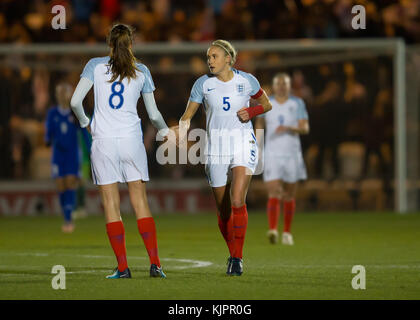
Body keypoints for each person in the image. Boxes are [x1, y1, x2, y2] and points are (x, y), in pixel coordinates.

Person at [70, 24, 169, 279]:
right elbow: (154, 114)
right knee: (140, 202)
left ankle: (123, 268)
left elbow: (74, 102)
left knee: (111, 204)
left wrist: (85, 123)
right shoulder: (142, 70)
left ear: (109, 44)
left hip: (103, 141)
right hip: (131, 141)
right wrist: (166, 131)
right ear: (131, 44)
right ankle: (155, 264)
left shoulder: (95, 65)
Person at [173, 40, 272, 276]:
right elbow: (188, 114)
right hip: (215, 147)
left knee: (237, 198)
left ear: (229, 58)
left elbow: (266, 104)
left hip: (242, 143)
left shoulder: (247, 80)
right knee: (224, 209)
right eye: (208, 57)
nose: (210, 61)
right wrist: (183, 128)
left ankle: (237, 259)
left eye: (214, 56)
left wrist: (252, 111)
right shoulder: (203, 84)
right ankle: (233, 252)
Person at [254, 73, 309, 245]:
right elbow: (260, 125)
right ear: (274, 85)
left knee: (289, 195)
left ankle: (286, 232)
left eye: (284, 83)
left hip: (292, 154)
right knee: (274, 191)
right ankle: (272, 230)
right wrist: (257, 146)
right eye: (278, 83)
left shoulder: (297, 103)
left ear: (289, 85)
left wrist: (288, 127)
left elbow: (305, 128)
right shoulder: (266, 103)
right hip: (272, 154)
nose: (281, 86)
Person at [45, 81, 90, 233]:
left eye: (65, 93)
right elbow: (49, 131)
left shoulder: (74, 113)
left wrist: (90, 148)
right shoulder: (53, 113)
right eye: (60, 93)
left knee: (70, 183)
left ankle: (69, 220)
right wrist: (47, 139)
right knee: (60, 185)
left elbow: (84, 131)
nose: (63, 96)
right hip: (58, 155)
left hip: (72, 154)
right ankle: (66, 216)